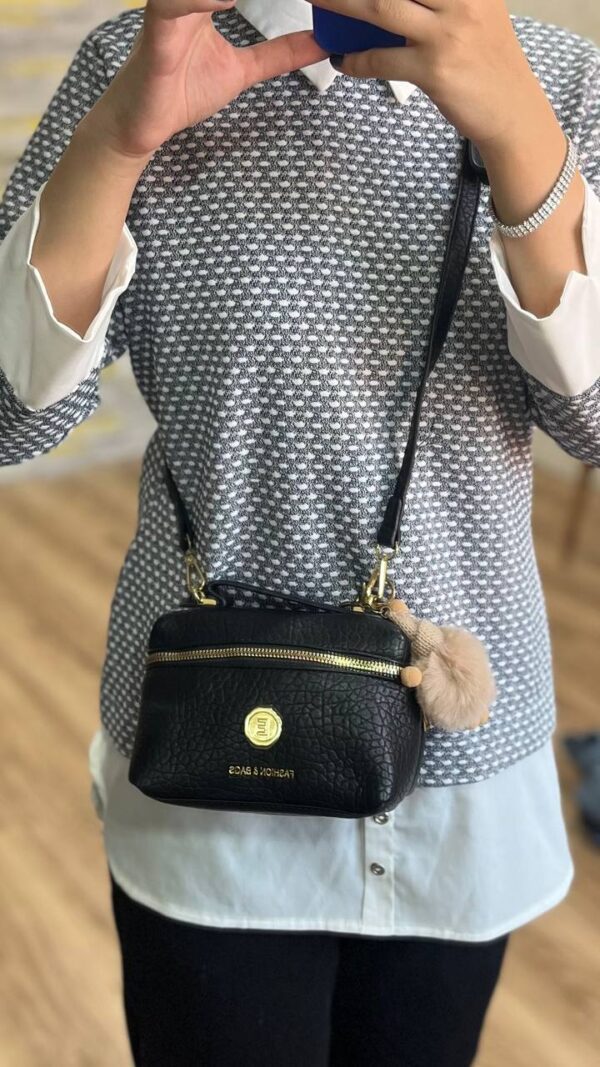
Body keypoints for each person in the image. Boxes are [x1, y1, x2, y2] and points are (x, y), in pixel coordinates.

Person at [1, 1, 599, 1064]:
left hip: (460, 774)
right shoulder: (135, 61)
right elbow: (12, 414)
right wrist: (120, 142)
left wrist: (518, 133)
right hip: (206, 775)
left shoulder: (559, 79)